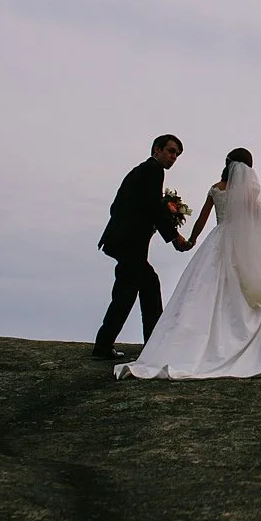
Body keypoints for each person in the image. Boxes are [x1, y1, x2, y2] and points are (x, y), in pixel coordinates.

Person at [116, 147, 261, 380]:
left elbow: (202, 218)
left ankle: (199, 341)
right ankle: (243, 339)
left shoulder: (216, 189)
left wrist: (192, 240)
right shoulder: (251, 190)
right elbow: (254, 217)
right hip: (243, 242)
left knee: (208, 289)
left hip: (218, 240)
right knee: (241, 288)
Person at [92, 134, 193, 361]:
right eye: (170, 151)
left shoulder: (141, 171)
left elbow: (119, 206)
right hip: (131, 244)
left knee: (147, 284)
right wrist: (174, 236)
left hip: (123, 242)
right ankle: (109, 345)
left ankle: (150, 343)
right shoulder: (153, 170)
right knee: (126, 294)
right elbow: (152, 208)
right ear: (156, 150)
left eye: (176, 154)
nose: (173, 157)